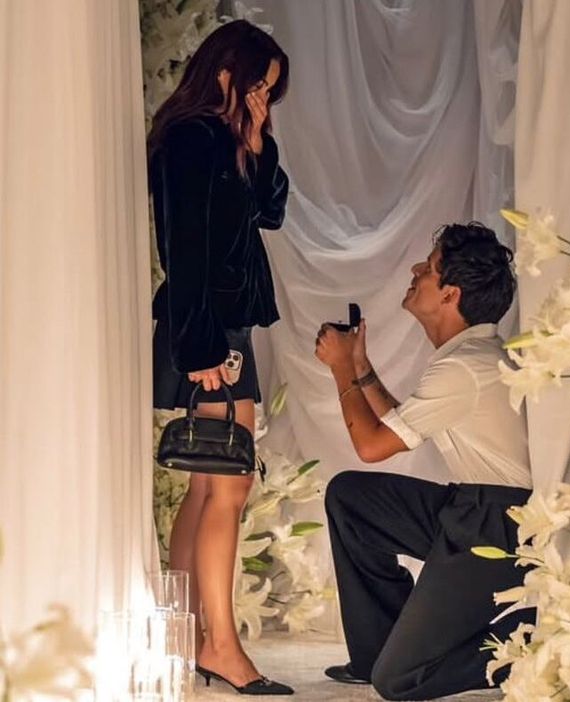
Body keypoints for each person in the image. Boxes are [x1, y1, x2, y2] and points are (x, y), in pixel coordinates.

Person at [314, 222, 534, 700]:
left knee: (401, 681)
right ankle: (375, 652)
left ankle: (529, 645)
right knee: (351, 497)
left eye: (429, 268)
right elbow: (399, 425)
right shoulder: (469, 356)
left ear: (450, 294)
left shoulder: (464, 367)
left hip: (498, 529)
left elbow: (372, 446)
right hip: (472, 507)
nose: (416, 271)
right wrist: (359, 366)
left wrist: (340, 369)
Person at [148, 19, 293, 696]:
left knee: (211, 486)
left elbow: (270, 214)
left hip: (222, 328)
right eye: (259, 85)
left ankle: (188, 639)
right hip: (211, 333)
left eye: (271, 92)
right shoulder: (192, 137)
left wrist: (258, 142)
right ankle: (221, 647)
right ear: (227, 72)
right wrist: (202, 344)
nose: (263, 99)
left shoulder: (226, 138)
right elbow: (184, 247)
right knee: (227, 487)